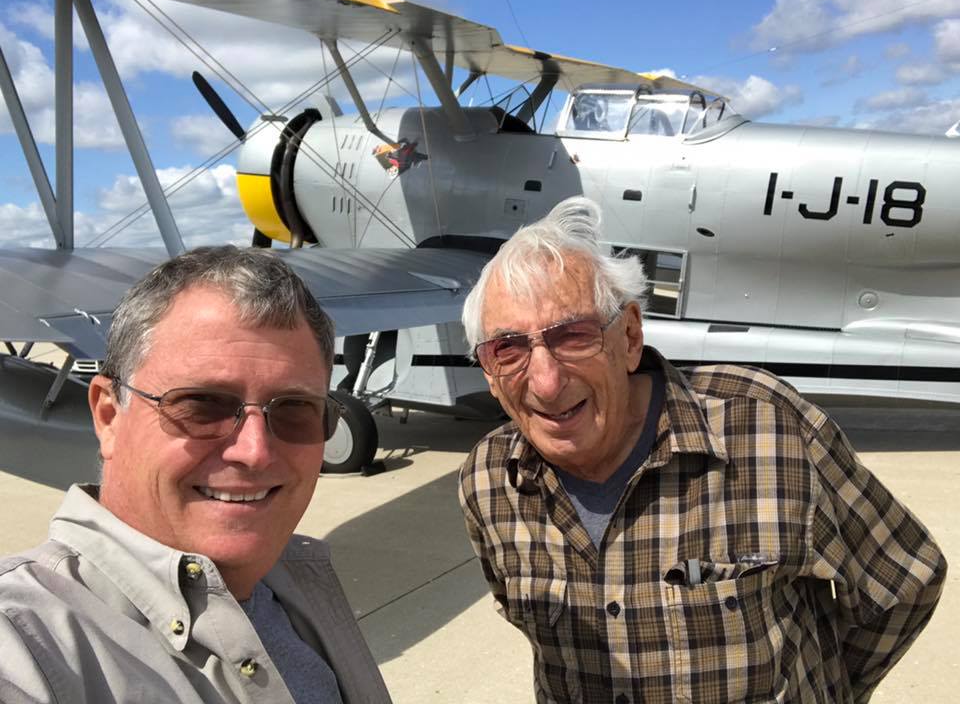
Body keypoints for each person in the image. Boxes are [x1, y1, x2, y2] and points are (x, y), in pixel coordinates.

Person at [458, 197, 946, 703]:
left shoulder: (766, 428)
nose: (546, 380)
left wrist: (829, 691)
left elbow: (904, 581)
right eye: (507, 348)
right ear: (489, 374)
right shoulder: (489, 481)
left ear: (628, 336)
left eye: (574, 336)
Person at [0, 246, 391, 703]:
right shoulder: (22, 643)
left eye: (295, 409)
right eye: (202, 406)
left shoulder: (295, 577)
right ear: (109, 416)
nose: (255, 452)